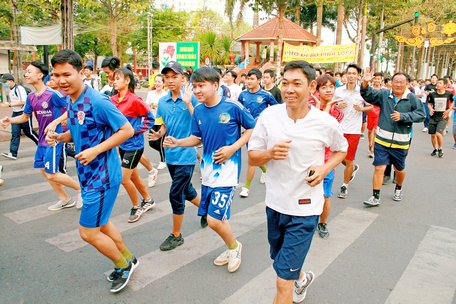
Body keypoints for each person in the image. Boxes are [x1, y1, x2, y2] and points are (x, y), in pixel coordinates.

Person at [248, 61, 347, 304]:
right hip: (275, 204)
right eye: (285, 83)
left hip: (305, 209)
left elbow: (341, 150)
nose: (289, 89)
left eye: (297, 84)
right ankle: (301, 277)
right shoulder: (269, 116)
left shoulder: (325, 122)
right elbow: (253, 155)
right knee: (279, 260)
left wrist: (323, 169)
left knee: (282, 282)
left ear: (311, 86)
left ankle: (293, 282)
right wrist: (270, 153)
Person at [47, 49, 138, 293]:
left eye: (67, 74)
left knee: (88, 233)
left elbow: (127, 130)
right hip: (87, 175)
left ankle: (123, 264)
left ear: (81, 72)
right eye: (57, 75)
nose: (62, 80)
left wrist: (96, 150)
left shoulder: (98, 101)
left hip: (103, 176)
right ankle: (130, 257)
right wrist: (62, 136)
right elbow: (80, 129)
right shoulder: (70, 99)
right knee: (104, 224)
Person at [164, 66, 256, 272]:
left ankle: (235, 247)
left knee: (213, 220)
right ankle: (232, 247)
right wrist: (177, 142)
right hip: (207, 173)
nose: (197, 90)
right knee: (219, 218)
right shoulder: (197, 110)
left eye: (201, 86)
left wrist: (233, 148)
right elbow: (196, 138)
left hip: (227, 173)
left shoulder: (232, 106)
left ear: (215, 85)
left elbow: (251, 128)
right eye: (194, 86)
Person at [0, 61, 82, 211]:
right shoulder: (31, 97)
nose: (26, 74)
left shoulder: (52, 94)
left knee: (51, 173)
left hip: (54, 139)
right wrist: (9, 120)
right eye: (26, 72)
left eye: (30, 71)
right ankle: (64, 198)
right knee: (44, 170)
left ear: (40, 75)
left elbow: (71, 109)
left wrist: (55, 123)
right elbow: (25, 117)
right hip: (42, 140)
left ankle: (81, 190)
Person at [148, 61, 202, 251]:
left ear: (182, 78)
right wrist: (158, 134)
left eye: (174, 77)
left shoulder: (192, 98)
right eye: (167, 77)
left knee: (175, 194)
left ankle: (176, 235)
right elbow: (163, 124)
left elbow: (200, 122)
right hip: (170, 154)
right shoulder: (163, 102)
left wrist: (188, 102)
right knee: (186, 190)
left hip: (187, 154)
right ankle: (206, 210)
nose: (170, 81)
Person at [360, 69, 425, 207]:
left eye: (401, 82)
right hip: (382, 140)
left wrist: (403, 117)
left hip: (400, 142)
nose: (398, 85)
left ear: (407, 83)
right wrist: (365, 82)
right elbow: (367, 94)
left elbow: (421, 114)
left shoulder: (412, 98)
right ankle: (375, 196)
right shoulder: (384, 95)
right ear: (391, 83)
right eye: (395, 82)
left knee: (399, 169)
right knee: (379, 168)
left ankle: (398, 188)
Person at [111, 67, 156, 223]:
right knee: (134, 177)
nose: (114, 81)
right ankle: (148, 199)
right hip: (121, 145)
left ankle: (136, 206)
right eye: (114, 78)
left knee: (123, 179)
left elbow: (150, 118)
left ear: (127, 80)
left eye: (118, 78)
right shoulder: (113, 100)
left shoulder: (135, 100)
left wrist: (135, 131)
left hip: (134, 146)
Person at [238, 68, 278, 198]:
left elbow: (277, 110)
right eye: (248, 79)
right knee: (254, 157)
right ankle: (265, 170)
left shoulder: (266, 95)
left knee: (251, 158)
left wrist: (264, 118)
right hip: (247, 131)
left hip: (260, 132)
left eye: (252, 79)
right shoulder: (242, 95)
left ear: (259, 80)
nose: (249, 81)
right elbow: (238, 112)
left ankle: (246, 187)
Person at [315, 74, 345, 239]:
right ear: (317, 90)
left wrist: (327, 110)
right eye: (324, 87)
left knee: (325, 196)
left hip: (327, 161)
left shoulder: (338, 112)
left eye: (331, 87)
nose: (328, 90)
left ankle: (323, 223)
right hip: (309, 159)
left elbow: (329, 132)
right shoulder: (310, 108)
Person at [334, 63, 367, 199]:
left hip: (354, 130)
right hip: (339, 128)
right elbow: (331, 104)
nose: (351, 76)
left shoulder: (362, 92)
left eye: (354, 74)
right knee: (337, 156)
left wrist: (361, 109)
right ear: (345, 75)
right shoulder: (339, 90)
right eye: (349, 73)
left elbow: (370, 106)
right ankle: (352, 168)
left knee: (349, 159)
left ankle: (344, 185)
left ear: (358, 76)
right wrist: (337, 105)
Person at [0, 73, 38, 160]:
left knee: (29, 132)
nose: (4, 84)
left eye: (5, 82)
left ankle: (43, 145)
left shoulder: (19, 89)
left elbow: (24, 101)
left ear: (11, 81)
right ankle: (13, 153)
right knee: (15, 133)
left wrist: (9, 104)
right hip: (15, 113)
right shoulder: (10, 90)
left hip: (24, 113)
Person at [427, 78, 454, 158]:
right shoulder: (432, 94)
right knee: (432, 135)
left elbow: (452, 102)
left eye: (440, 83)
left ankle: (440, 148)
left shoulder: (449, 94)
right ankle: (435, 149)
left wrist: (449, 110)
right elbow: (429, 104)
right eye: (437, 83)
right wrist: (431, 109)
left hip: (443, 117)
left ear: (445, 85)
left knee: (438, 134)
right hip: (433, 116)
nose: (438, 84)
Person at [146, 74, 167, 170]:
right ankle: (167, 153)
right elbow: (146, 106)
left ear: (163, 83)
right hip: (152, 121)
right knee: (152, 142)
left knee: (160, 142)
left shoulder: (166, 95)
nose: (157, 83)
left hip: (162, 122)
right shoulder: (151, 93)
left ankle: (163, 160)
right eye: (156, 81)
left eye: (159, 82)